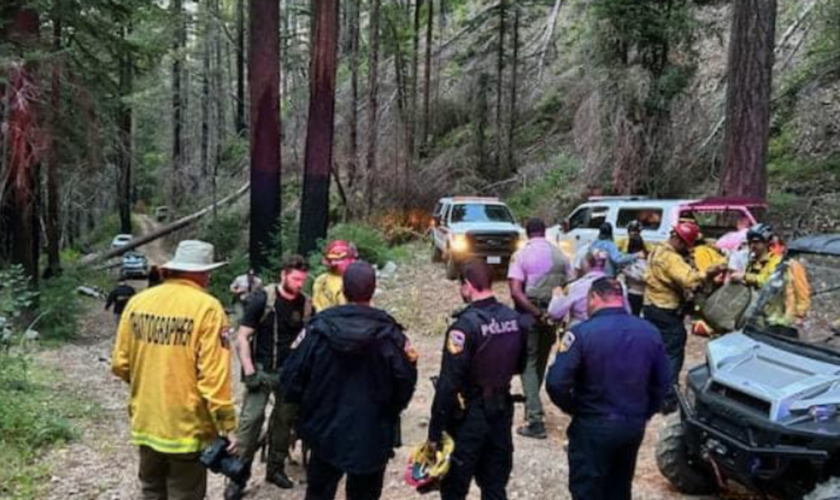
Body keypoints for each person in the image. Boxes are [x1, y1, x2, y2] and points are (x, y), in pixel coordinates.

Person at [111, 240, 237, 500]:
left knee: (151, 490)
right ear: (202, 273)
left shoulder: (138, 303)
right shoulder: (208, 308)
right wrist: (227, 424)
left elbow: (121, 365)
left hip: (146, 421)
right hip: (186, 428)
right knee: (184, 493)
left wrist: (150, 386)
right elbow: (213, 377)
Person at [280, 261, 417, 500]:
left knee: (319, 493)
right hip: (372, 431)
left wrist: (305, 411)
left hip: (324, 430)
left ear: (343, 290)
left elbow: (291, 378)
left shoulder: (317, 330)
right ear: (373, 290)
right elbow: (405, 381)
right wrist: (389, 411)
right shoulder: (391, 334)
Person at [546, 278, 670, 500]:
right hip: (632, 425)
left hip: (593, 423)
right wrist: (644, 412)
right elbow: (663, 381)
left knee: (587, 490)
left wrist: (575, 408)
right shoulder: (650, 332)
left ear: (594, 298)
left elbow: (556, 382)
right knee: (620, 488)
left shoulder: (581, 334)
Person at [427, 259, 527, 500]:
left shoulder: (464, 328)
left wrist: (434, 433)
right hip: (501, 410)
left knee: (454, 488)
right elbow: (521, 366)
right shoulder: (515, 320)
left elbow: (448, 384)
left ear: (468, 285)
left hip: (469, 416)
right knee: (494, 486)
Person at [225, 256, 312, 500]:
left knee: (284, 423)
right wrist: (249, 371)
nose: (298, 284)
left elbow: (310, 338)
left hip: (290, 373)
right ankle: (237, 476)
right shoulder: (263, 299)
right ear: (283, 275)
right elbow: (242, 337)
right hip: (262, 370)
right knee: (250, 422)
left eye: (302, 279)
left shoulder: (306, 305)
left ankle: (275, 469)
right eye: (295, 278)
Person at [643, 221, 726, 414]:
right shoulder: (671, 258)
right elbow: (689, 279)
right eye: (687, 245)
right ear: (680, 241)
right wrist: (709, 272)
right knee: (672, 352)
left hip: (651, 307)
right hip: (666, 310)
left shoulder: (656, 251)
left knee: (656, 351)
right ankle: (667, 398)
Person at [507, 218, 570, 439]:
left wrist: (535, 312)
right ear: (544, 232)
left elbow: (516, 291)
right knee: (541, 360)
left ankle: (535, 419)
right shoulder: (561, 256)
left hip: (529, 315)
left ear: (527, 233)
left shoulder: (521, 255)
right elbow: (568, 287)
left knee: (528, 363)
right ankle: (532, 406)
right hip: (553, 314)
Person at [548, 250, 629, 327]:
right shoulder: (619, 285)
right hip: (613, 328)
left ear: (586, 264)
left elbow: (555, 312)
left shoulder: (576, 286)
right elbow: (627, 311)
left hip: (581, 329)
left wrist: (557, 296)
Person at [731, 223, 783, 290]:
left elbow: (769, 281)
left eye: (756, 242)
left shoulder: (776, 260)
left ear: (766, 242)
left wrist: (744, 276)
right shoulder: (752, 261)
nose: (752, 245)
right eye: (750, 242)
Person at [311, 240, 358, 312]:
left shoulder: (356, 279)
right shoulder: (322, 280)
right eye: (333, 259)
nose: (334, 263)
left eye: (340, 259)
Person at [616, 220, 650, 316]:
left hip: (635, 280)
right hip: (626, 275)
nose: (633, 233)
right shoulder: (622, 241)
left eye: (635, 230)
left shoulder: (643, 242)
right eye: (631, 230)